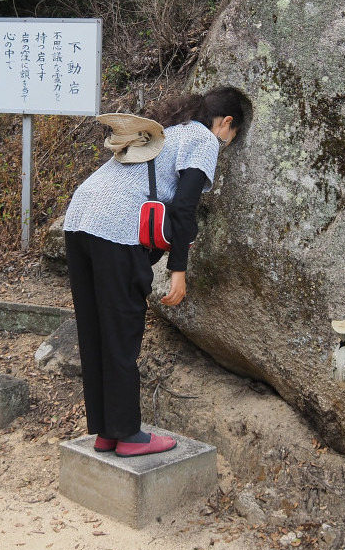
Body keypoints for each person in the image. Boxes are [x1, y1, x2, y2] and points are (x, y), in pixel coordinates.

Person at [62, 86, 248, 457]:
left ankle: (106, 431)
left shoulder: (165, 131)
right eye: (233, 135)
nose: (227, 143)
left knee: (95, 331)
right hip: (115, 230)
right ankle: (128, 436)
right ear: (227, 122)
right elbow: (183, 208)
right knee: (122, 330)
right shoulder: (202, 138)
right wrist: (178, 270)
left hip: (78, 220)